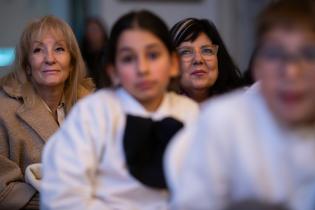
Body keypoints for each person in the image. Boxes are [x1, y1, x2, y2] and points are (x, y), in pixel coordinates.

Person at [41, 10, 199, 210]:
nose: (142, 68)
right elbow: (63, 195)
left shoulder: (191, 114)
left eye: (153, 55)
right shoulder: (92, 113)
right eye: (128, 58)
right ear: (113, 71)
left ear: (174, 64)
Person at [166, 0, 315, 209]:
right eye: (274, 55)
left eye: (309, 55)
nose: (291, 71)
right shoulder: (223, 120)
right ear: (258, 66)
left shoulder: (240, 97)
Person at [0, 15, 94, 210]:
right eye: (38, 50)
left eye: (59, 49)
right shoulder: (4, 110)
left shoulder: (94, 106)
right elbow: (3, 190)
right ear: (27, 65)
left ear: (72, 62)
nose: (50, 59)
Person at [170, 18, 243, 103]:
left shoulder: (242, 102)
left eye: (207, 51)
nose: (198, 60)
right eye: (186, 52)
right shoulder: (160, 109)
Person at [80, 17, 111, 89]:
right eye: (89, 31)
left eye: (94, 30)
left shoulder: (109, 52)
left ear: (102, 32)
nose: (92, 34)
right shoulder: (83, 53)